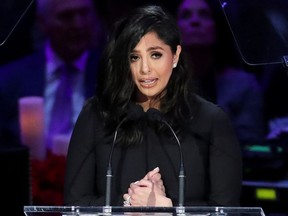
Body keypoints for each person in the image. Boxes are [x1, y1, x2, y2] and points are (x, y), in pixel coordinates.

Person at [64, 5, 242, 207]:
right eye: (134, 57)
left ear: (175, 56)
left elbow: (227, 210)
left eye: (155, 54)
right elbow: (74, 205)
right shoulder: (96, 115)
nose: (145, 69)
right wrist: (129, 206)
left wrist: (167, 210)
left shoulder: (211, 121)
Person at [0, 0, 103, 150]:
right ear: (42, 23)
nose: (78, 24)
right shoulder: (8, 80)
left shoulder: (115, 76)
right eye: (66, 16)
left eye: (84, 14)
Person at [176, 0, 265, 146]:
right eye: (186, 15)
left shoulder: (244, 85)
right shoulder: (157, 84)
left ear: (217, 26)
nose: (195, 21)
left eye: (204, 15)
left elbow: (251, 146)